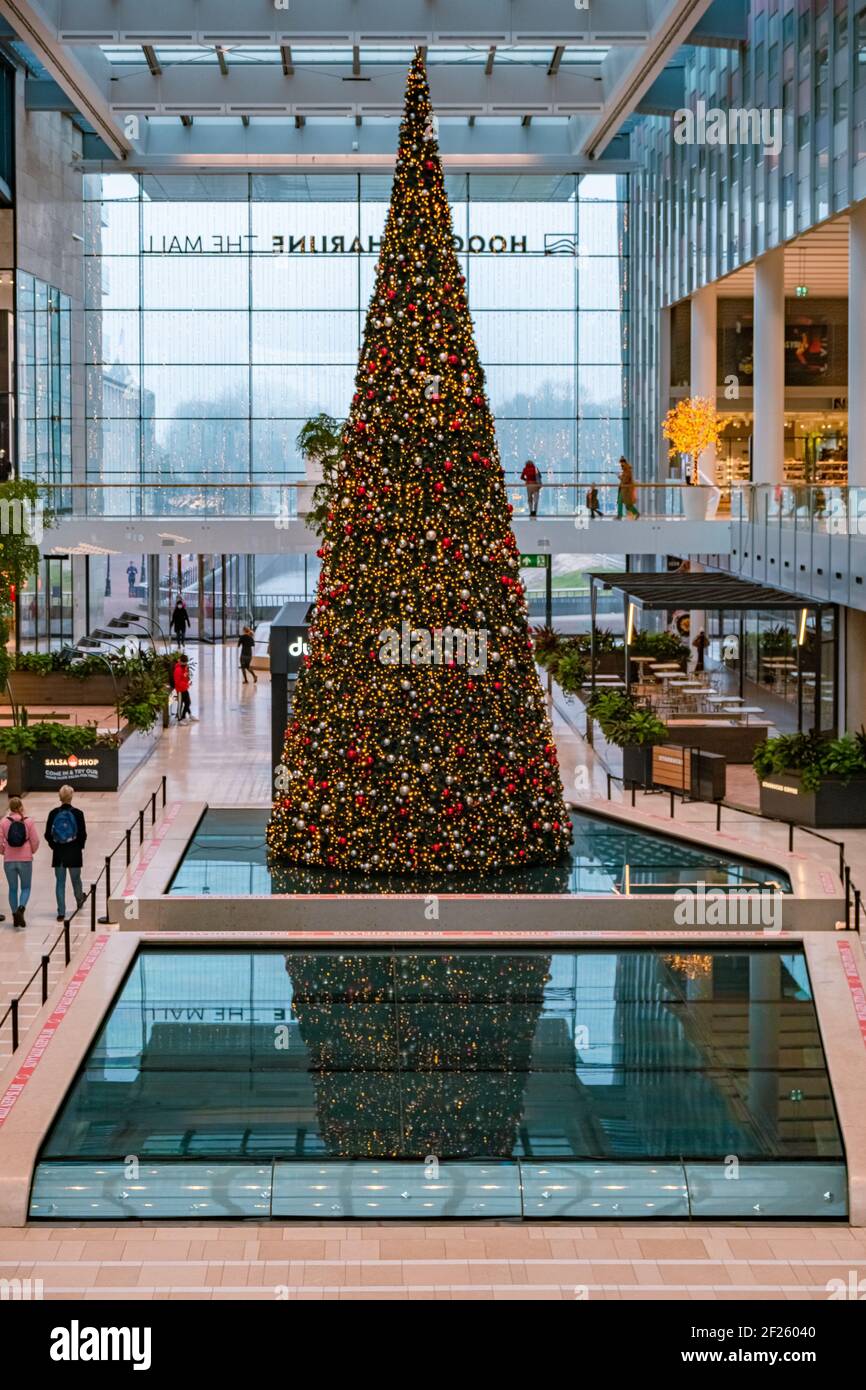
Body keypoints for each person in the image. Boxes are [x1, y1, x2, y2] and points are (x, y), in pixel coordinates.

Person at [45, 785, 87, 923]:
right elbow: (82, 834)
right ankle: (79, 900)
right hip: (74, 852)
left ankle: (61, 912)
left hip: (59, 854)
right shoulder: (78, 813)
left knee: (60, 882)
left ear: (60, 797)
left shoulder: (53, 813)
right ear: (71, 797)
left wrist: (55, 846)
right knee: (76, 879)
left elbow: (47, 835)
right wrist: (79, 847)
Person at [0, 796, 40, 928]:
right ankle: (21, 910)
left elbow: (0, 842)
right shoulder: (28, 821)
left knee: (12, 889)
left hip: (9, 859)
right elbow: (35, 841)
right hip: (25, 859)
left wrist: (4, 852)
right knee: (26, 887)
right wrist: (31, 851)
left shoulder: (3, 822)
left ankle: (14, 916)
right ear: (21, 807)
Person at [173, 653, 195, 723]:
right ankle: (180, 719)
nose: (185, 664)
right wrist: (185, 684)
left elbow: (185, 676)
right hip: (180, 690)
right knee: (180, 704)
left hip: (185, 688)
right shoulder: (178, 670)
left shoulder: (185, 667)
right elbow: (177, 682)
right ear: (181, 661)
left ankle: (186, 715)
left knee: (188, 702)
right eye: (184, 663)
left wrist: (188, 682)